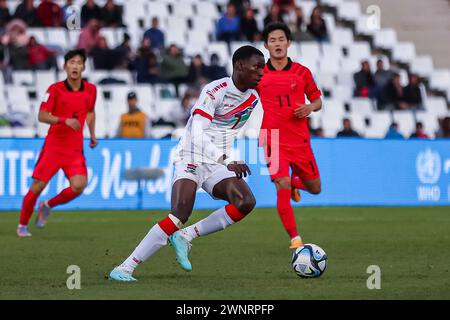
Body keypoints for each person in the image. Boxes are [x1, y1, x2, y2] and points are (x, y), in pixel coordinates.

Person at [108, 45, 265, 281]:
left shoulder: (253, 96)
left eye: (263, 67)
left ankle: (187, 236)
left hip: (217, 162)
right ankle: (124, 267)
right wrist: (228, 160)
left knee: (245, 201)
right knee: (180, 212)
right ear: (240, 66)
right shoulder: (215, 90)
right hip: (192, 154)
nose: (261, 72)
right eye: (257, 67)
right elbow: (198, 134)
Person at [17, 49, 97, 238]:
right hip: (54, 146)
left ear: (84, 67)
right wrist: (64, 120)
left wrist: (92, 135)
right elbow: (42, 115)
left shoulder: (91, 90)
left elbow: (91, 112)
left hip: (75, 149)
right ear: (65, 67)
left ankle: (47, 205)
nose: (75, 66)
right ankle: (22, 225)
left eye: (79, 62)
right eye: (71, 62)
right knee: (37, 186)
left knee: (79, 185)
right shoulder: (54, 90)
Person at [256, 22, 323, 249]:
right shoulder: (258, 75)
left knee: (315, 188)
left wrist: (309, 108)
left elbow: (318, 100)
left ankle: (296, 184)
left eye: (281, 39)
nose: (277, 44)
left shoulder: (302, 72)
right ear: (266, 45)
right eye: (272, 40)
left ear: (289, 43)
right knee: (281, 184)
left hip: (299, 140)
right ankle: (295, 239)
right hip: (271, 139)